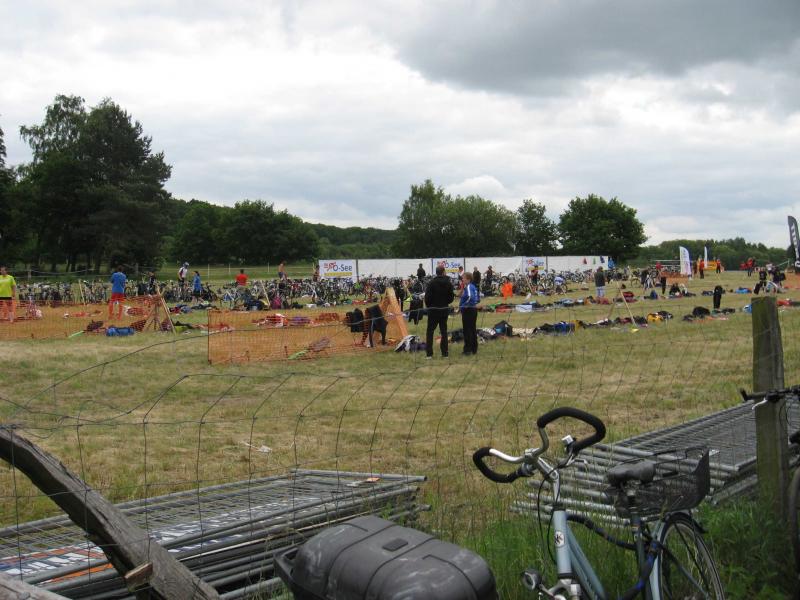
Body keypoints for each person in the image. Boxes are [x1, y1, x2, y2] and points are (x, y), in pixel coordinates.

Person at [424, 265, 454, 359]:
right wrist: (445, 303)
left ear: (436, 272)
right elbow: (451, 298)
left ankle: (429, 354)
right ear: (443, 272)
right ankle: (445, 353)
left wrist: (430, 307)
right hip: (444, 310)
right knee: (444, 331)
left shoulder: (431, 283)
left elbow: (427, 298)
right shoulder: (448, 283)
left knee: (430, 332)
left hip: (433, 310)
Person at [459, 272, 480, 356]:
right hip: (473, 309)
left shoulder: (469, 287)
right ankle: (474, 348)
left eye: (463, 278)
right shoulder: (473, 287)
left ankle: (467, 350)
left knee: (467, 330)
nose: (462, 279)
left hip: (468, 310)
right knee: (472, 329)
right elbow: (478, 299)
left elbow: (471, 297)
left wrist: (464, 306)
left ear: (468, 279)